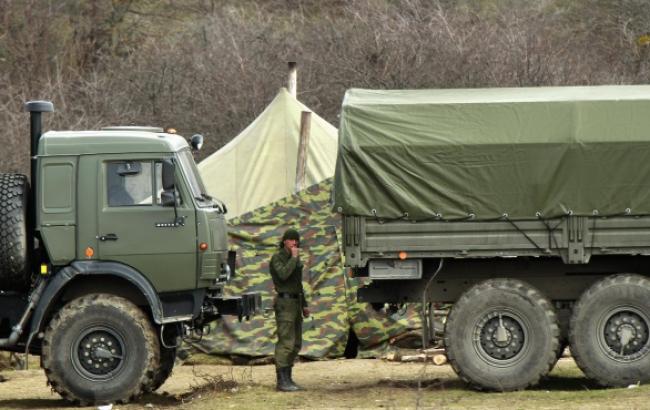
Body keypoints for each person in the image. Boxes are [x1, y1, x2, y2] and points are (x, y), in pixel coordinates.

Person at [270, 228, 310, 392]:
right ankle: (281, 381)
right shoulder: (277, 258)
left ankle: (288, 378)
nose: (295, 243)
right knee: (286, 343)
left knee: (295, 343)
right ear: (285, 241)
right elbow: (283, 275)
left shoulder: (294, 258)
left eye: (296, 240)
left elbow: (297, 284)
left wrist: (304, 304)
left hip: (295, 302)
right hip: (284, 303)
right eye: (292, 239)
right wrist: (294, 258)